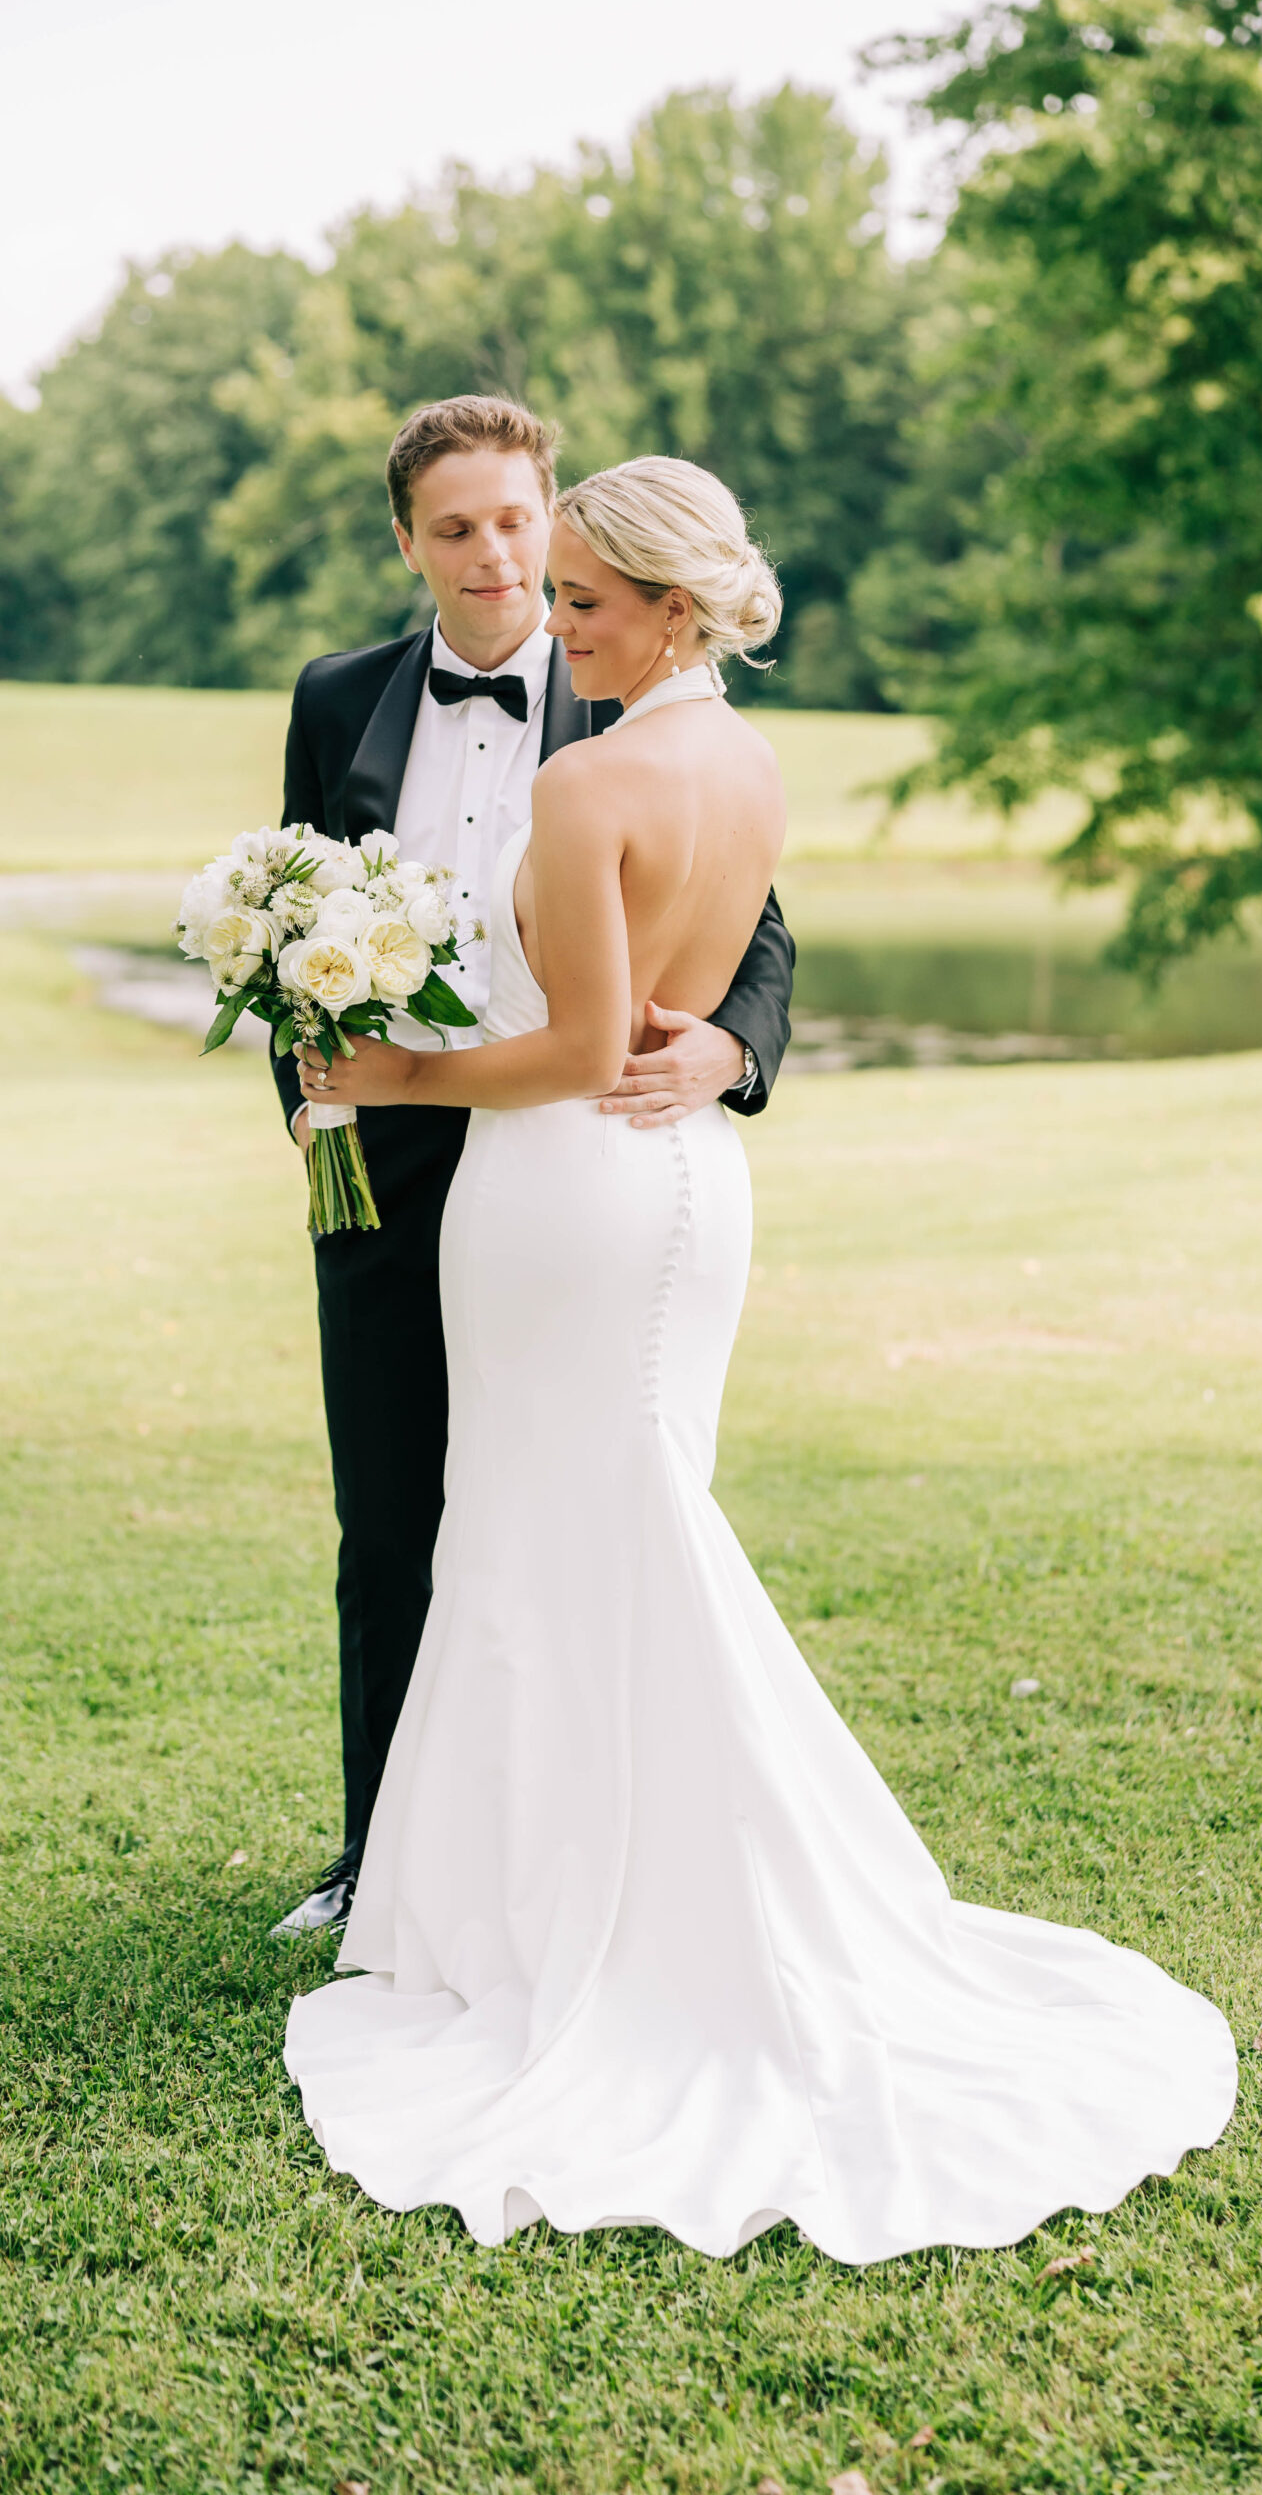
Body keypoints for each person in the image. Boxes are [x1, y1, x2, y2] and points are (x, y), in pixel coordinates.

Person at [281, 455, 1236, 2263]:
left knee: (552, 1532)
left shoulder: (585, 779)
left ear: (661, 607)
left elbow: (572, 1051)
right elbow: (656, 998)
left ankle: (602, 1924)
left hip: (566, 1193)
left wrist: (395, 1074)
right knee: (600, 1528)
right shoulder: (754, 760)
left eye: (576, 599)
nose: (546, 621)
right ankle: (538, 1888)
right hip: (685, 1204)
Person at [268, 398, 794, 1942]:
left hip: (570, 1154)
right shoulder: (339, 697)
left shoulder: (625, 704)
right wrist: (316, 1111)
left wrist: (731, 1050)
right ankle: (390, 1857)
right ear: (411, 543)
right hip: (393, 1166)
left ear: (554, 514)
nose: (498, 558)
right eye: (457, 528)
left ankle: (578, 1858)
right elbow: (294, 917)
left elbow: (751, 929)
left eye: (517, 522)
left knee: (559, 1500)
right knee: (398, 1520)